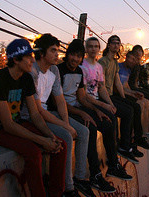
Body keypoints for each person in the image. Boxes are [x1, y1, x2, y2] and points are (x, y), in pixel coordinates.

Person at [0, 38, 67, 197]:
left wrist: (50, 136)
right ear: (15, 59)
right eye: (28, 57)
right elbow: (7, 124)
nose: (32, 60)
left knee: (60, 144)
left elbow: (35, 114)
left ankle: (57, 193)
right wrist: (42, 141)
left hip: (19, 123)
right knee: (33, 153)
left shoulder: (26, 78)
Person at [29, 34, 92, 197]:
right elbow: (38, 110)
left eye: (57, 51)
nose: (57, 55)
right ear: (42, 53)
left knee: (84, 132)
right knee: (66, 137)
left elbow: (60, 100)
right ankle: (68, 188)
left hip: (50, 112)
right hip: (34, 115)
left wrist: (66, 122)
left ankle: (80, 178)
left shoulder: (54, 70)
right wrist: (66, 126)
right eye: (53, 51)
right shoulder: (33, 72)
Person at [57, 39, 117, 193]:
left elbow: (82, 97)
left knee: (107, 123)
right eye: (73, 55)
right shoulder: (58, 71)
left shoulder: (78, 71)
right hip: (65, 110)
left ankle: (113, 164)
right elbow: (59, 101)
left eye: (78, 56)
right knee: (88, 128)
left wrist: (97, 111)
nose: (75, 59)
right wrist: (82, 113)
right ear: (67, 55)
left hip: (78, 107)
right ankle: (94, 174)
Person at [80, 36, 138, 163]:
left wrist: (119, 100)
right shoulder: (95, 64)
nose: (93, 49)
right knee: (114, 117)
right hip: (93, 101)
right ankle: (118, 151)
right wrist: (107, 104)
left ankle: (128, 145)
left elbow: (106, 86)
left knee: (131, 107)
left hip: (104, 97)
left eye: (96, 46)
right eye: (90, 46)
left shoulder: (102, 65)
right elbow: (85, 94)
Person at [98, 35, 149, 158]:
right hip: (105, 97)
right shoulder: (103, 62)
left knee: (134, 107)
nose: (116, 45)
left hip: (112, 95)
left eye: (118, 43)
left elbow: (117, 83)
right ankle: (124, 146)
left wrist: (126, 97)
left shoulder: (114, 63)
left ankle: (135, 140)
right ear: (109, 45)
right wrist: (112, 103)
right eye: (113, 43)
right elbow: (101, 86)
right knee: (127, 112)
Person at [118, 51, 149, 134]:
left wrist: (134, 92)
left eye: (134, 60)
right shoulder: (118, 67)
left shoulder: (128, 70)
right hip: (118, 93)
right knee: (139, 105)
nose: (132, 61)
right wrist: (131, 94)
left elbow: (125, 85)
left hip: (125, 91)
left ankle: (145, 132)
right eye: (131, 58)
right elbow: (118, 86)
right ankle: (136, 134)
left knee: (146, 101)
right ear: (126, 58)